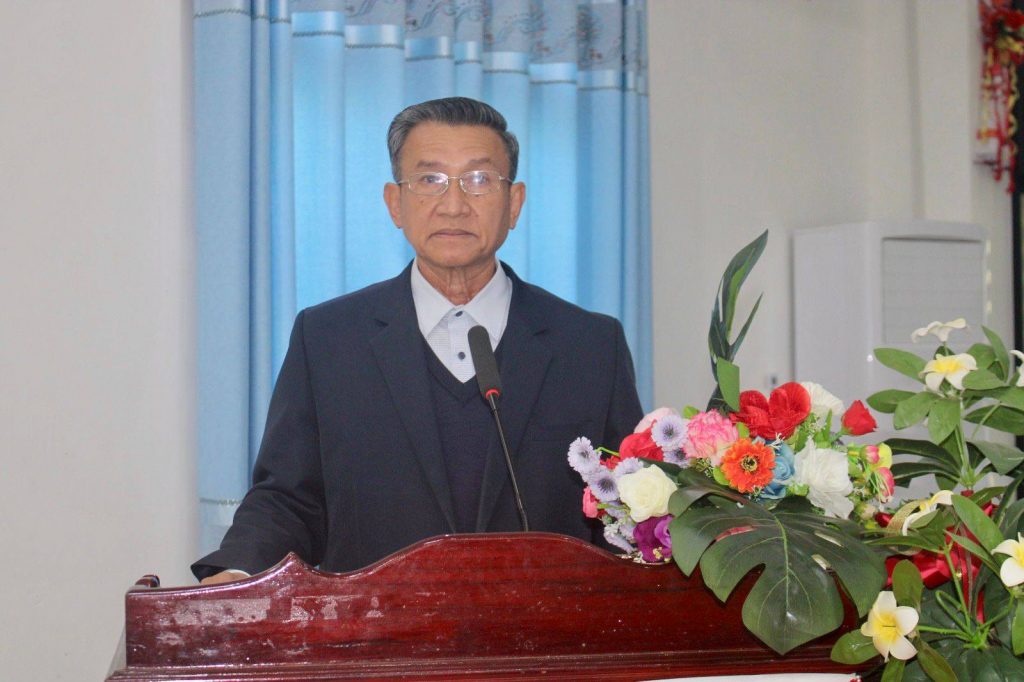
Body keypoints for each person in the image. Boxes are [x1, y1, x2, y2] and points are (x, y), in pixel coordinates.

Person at [192, 97, 643, 584]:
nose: (454, 204)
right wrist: (237, 572)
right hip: (374, 628)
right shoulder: (328, 340)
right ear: (395, 203)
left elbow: (626, 509)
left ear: (514, 203)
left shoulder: (590, 346)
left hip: (545, 626)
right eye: (430, 180)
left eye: (478, 179)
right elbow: (288, 499)